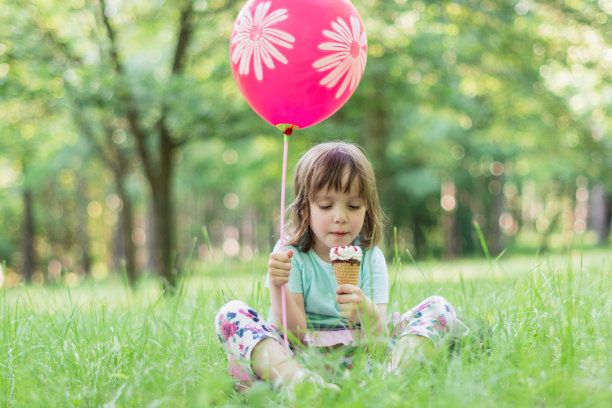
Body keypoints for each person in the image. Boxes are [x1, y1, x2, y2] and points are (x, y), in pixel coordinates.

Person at [215, 141, 461, 389]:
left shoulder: (371, 257)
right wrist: (279, 286)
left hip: (360, 359)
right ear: (305, 209)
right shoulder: (290, 253)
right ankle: (299, 384)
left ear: (367, 208)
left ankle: (390, 379)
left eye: (353, 206)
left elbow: (376, 344)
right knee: (231, 313)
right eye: (326, 206)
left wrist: (367, 312)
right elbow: (294, 334)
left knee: (438, 308)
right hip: (300, 357)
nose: (341, 217)